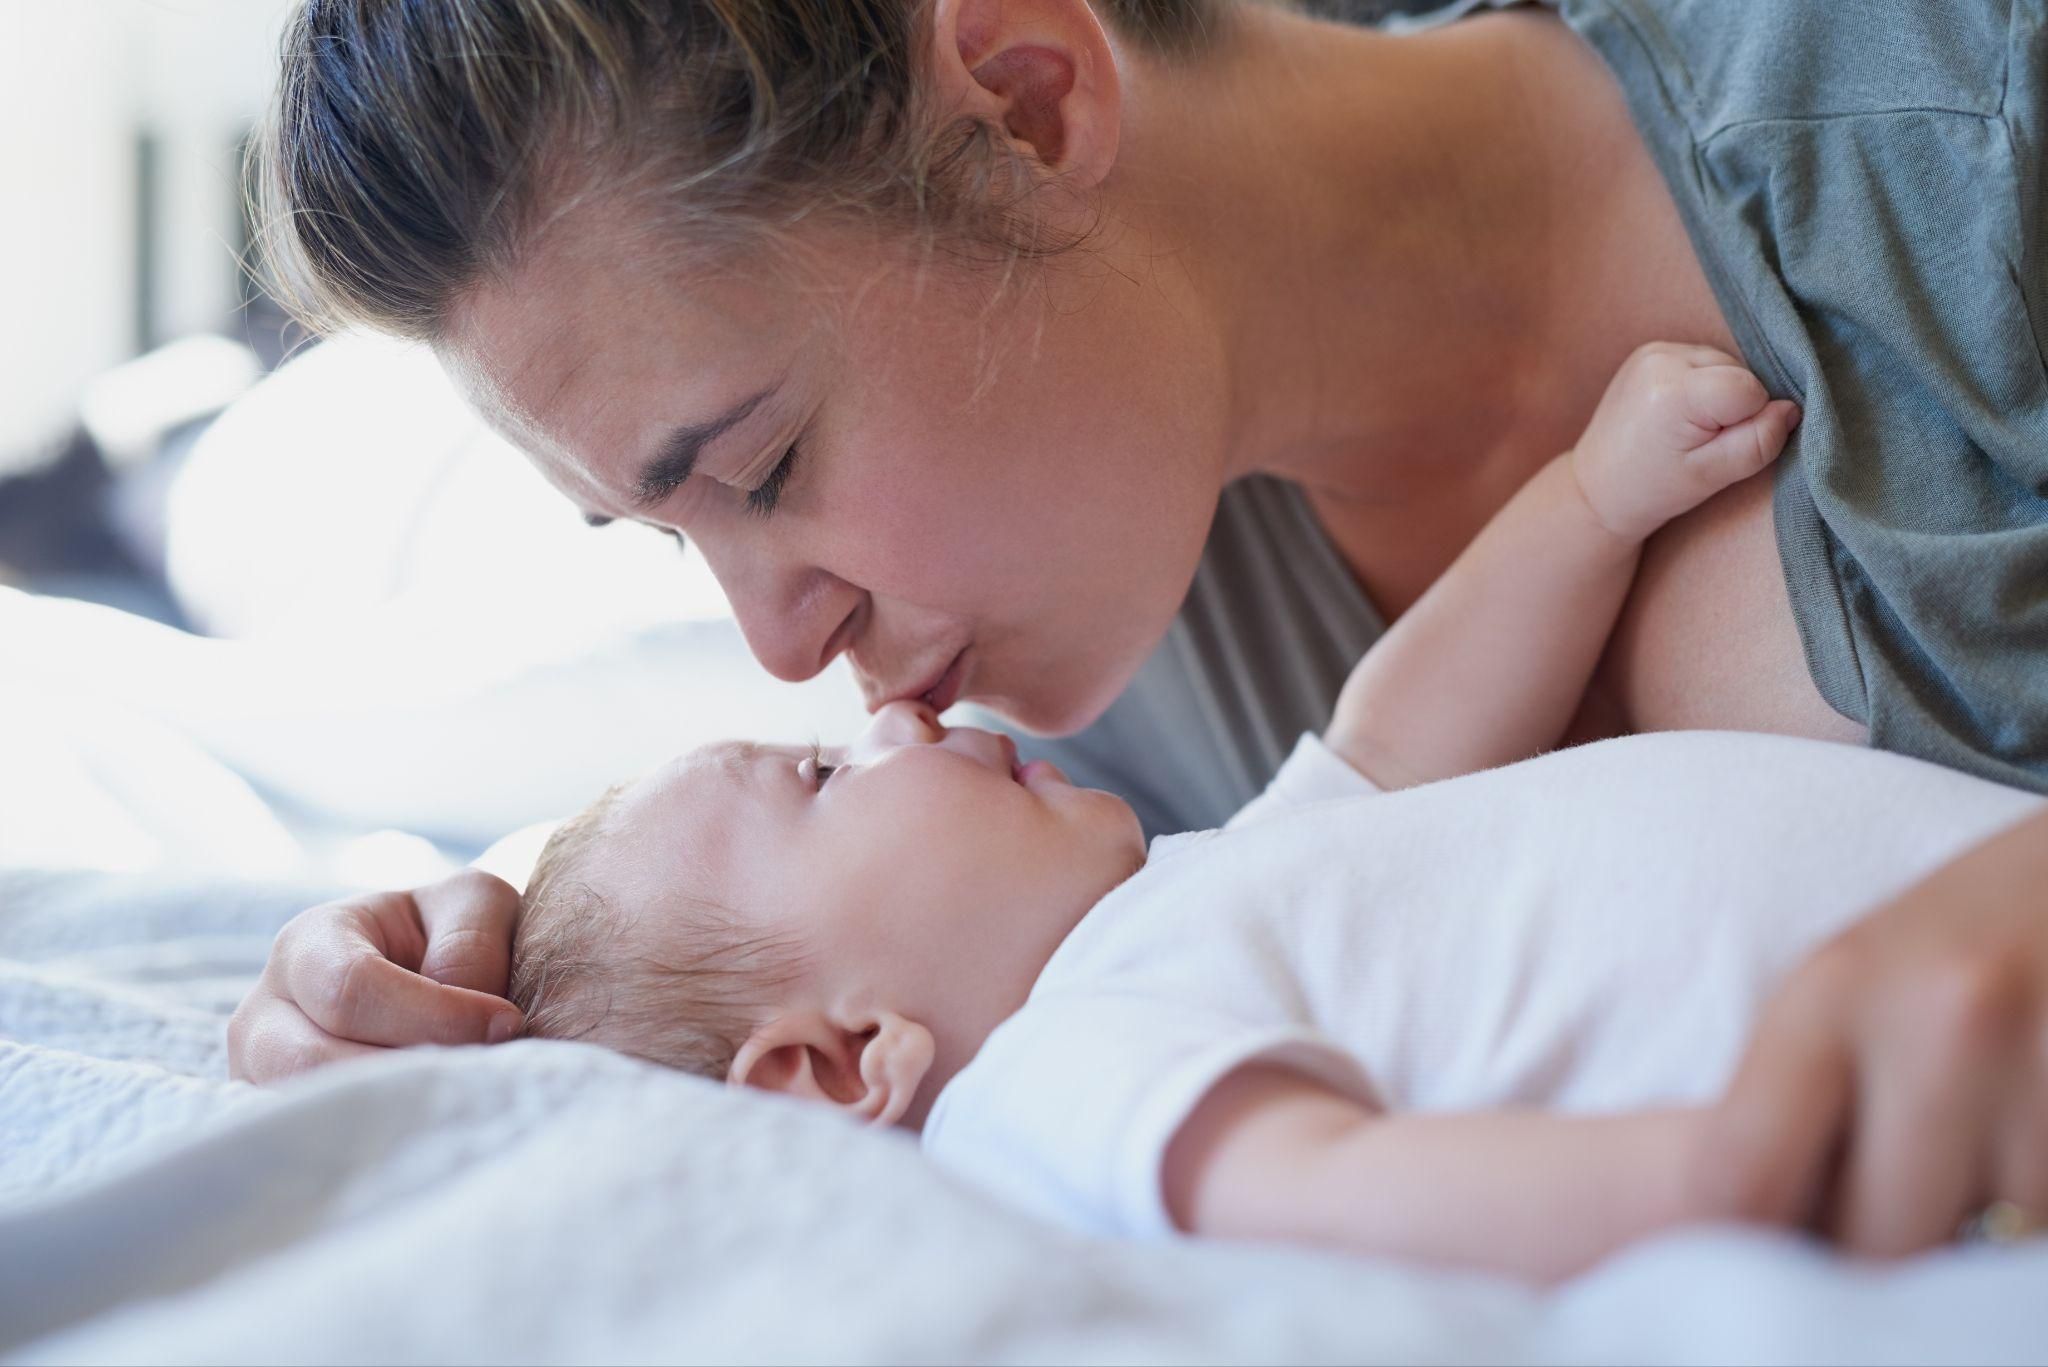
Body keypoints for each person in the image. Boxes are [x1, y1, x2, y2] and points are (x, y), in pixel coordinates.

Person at [229, 0, 2048, 1257]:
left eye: (767, 465)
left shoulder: (1969, 165)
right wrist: (493, 982)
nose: (784, 654)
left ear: (1029, 102)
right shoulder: (1074, 673)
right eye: (659, 533)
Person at [495, 351, 2035, 1281]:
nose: (886, 716)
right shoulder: (1060, 1078)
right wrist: (1719, 1175)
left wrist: (1590, 502)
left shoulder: (1180, 918)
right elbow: (1340, 1197)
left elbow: (1395, 730)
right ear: (844, 1066)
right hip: (1911, 1117)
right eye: (820, 779)